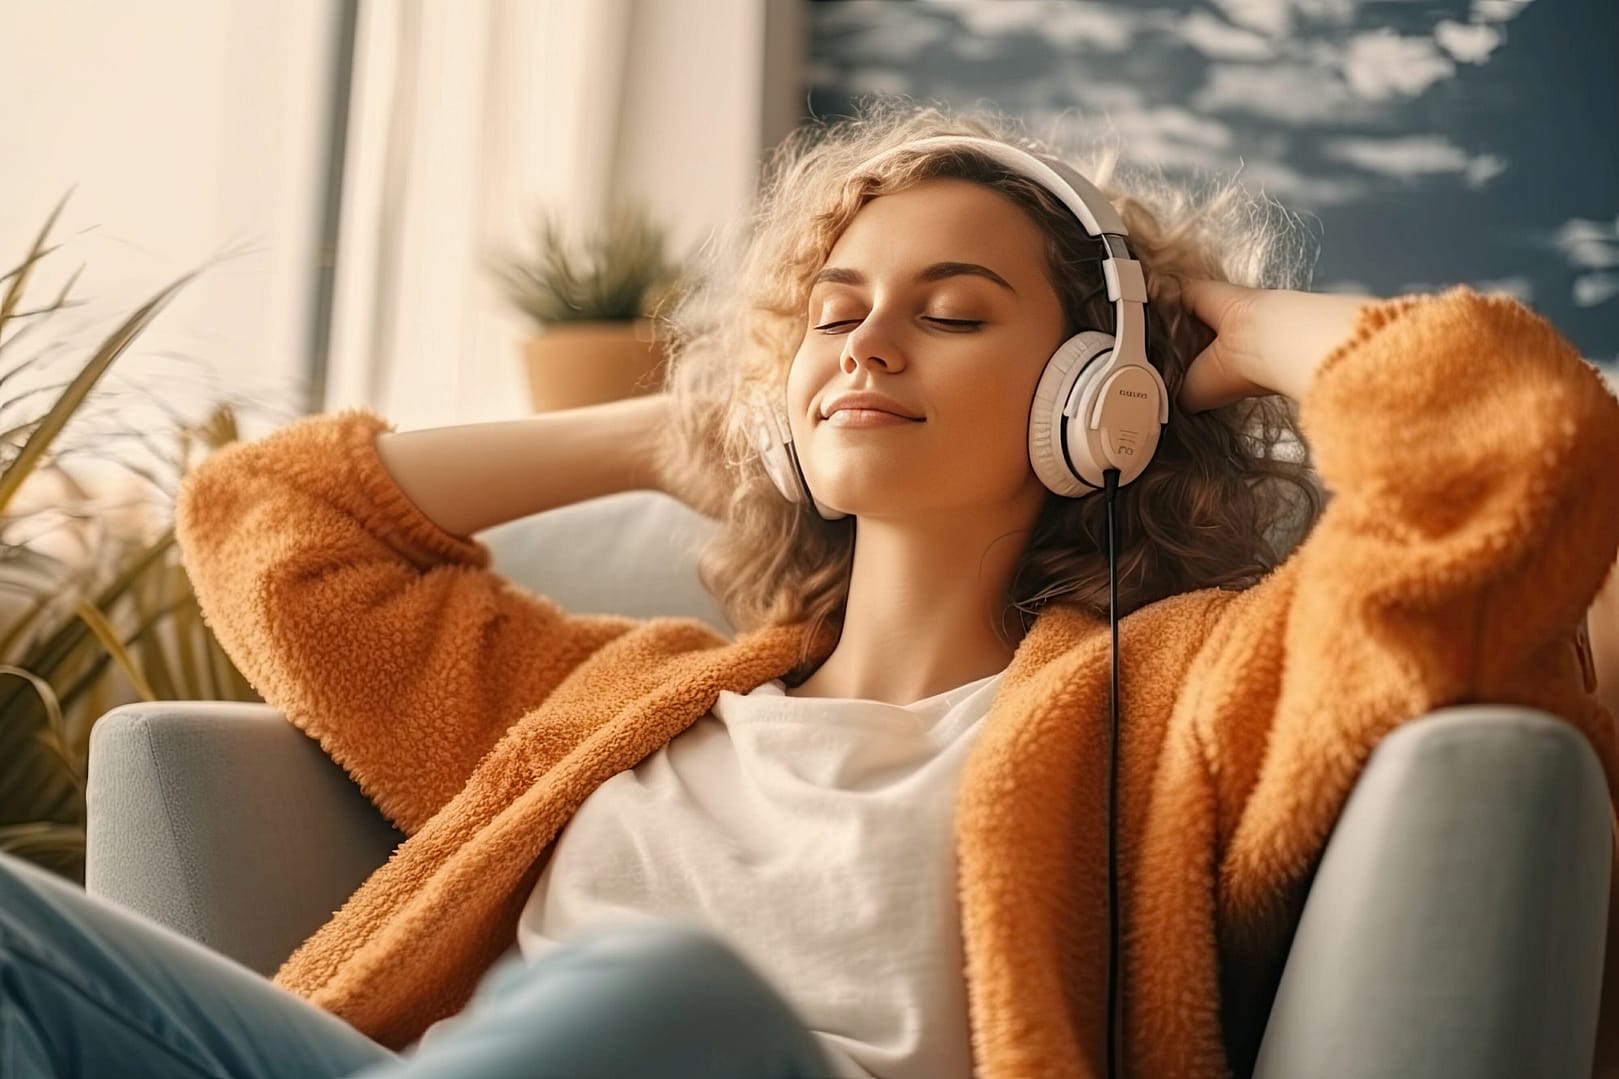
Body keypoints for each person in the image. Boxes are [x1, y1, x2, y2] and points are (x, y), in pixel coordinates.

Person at [3, 98, 1617, 1079]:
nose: (865, 342)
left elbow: (1511, 464)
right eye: (835, 312)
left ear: (1097, 402)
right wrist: (672, 425)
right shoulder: (609, 701)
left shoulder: (1185, 701)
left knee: (654, 993)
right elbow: (266, 521)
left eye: (954, 309)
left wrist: (1232, 334)